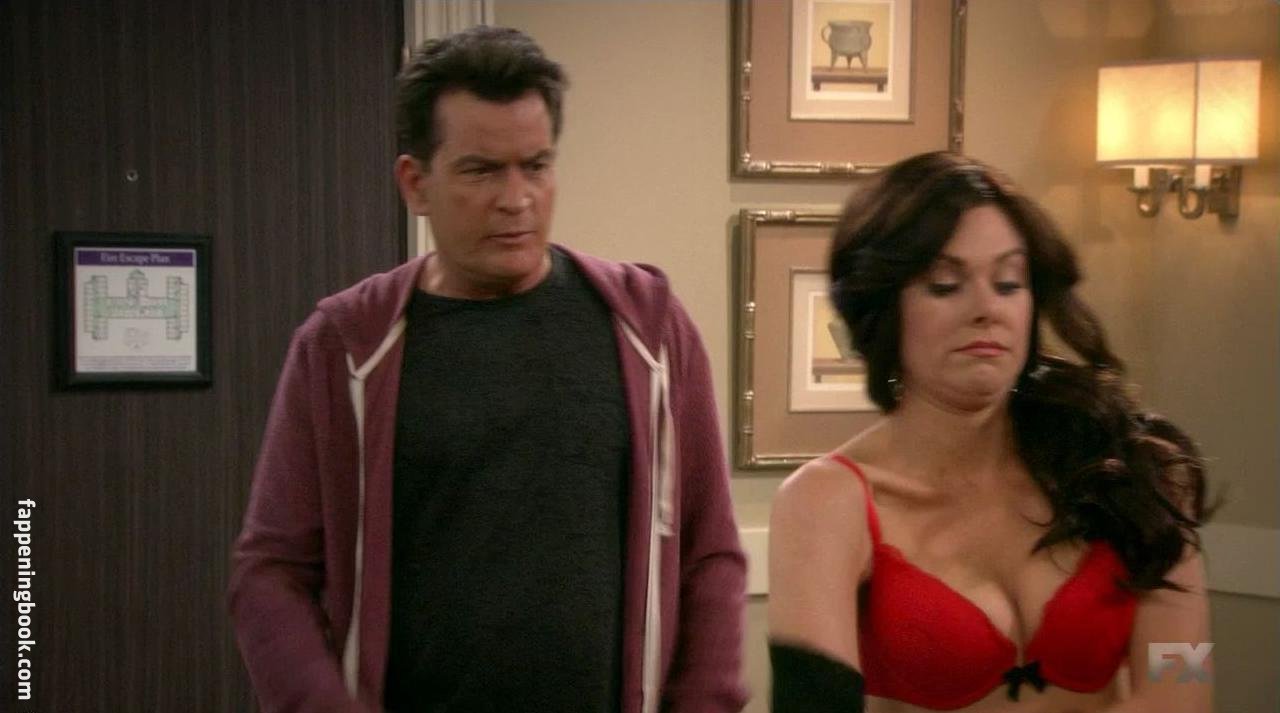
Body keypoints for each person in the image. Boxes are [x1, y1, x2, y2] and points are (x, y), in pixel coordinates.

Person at [228, 26, 746, 713]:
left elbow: (710, 555)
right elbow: (272, 572)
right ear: (416, 183)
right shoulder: (347, 345)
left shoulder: (647, 327)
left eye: (536, 165)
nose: (516, 198)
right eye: (481, 170)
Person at [768, 152, 1213, 713]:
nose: (987, 309)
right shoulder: (825, 502)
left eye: (1008, 283)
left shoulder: (1140, 474)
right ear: (883, 310)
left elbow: (1185, 685)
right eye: (944, 285)